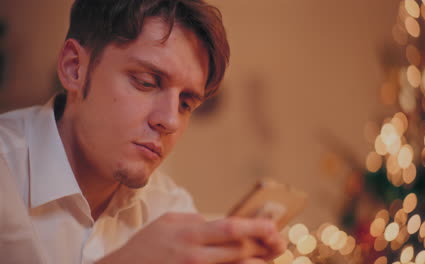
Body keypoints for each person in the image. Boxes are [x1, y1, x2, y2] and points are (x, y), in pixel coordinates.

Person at [0, 0, 286, 263]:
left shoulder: (171, 205)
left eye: (186, 103)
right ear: (74, 68)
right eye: (146, 82)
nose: (171, 121)